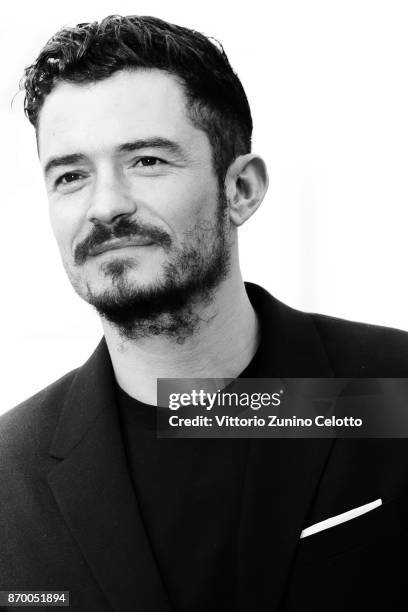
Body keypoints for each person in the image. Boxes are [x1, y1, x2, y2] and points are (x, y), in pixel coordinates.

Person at [1, 14, 408, 612]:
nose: (105, 205)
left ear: (240, 189)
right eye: (70, 175)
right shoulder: (11, 477)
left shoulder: (391, 393)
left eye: (147, 161)